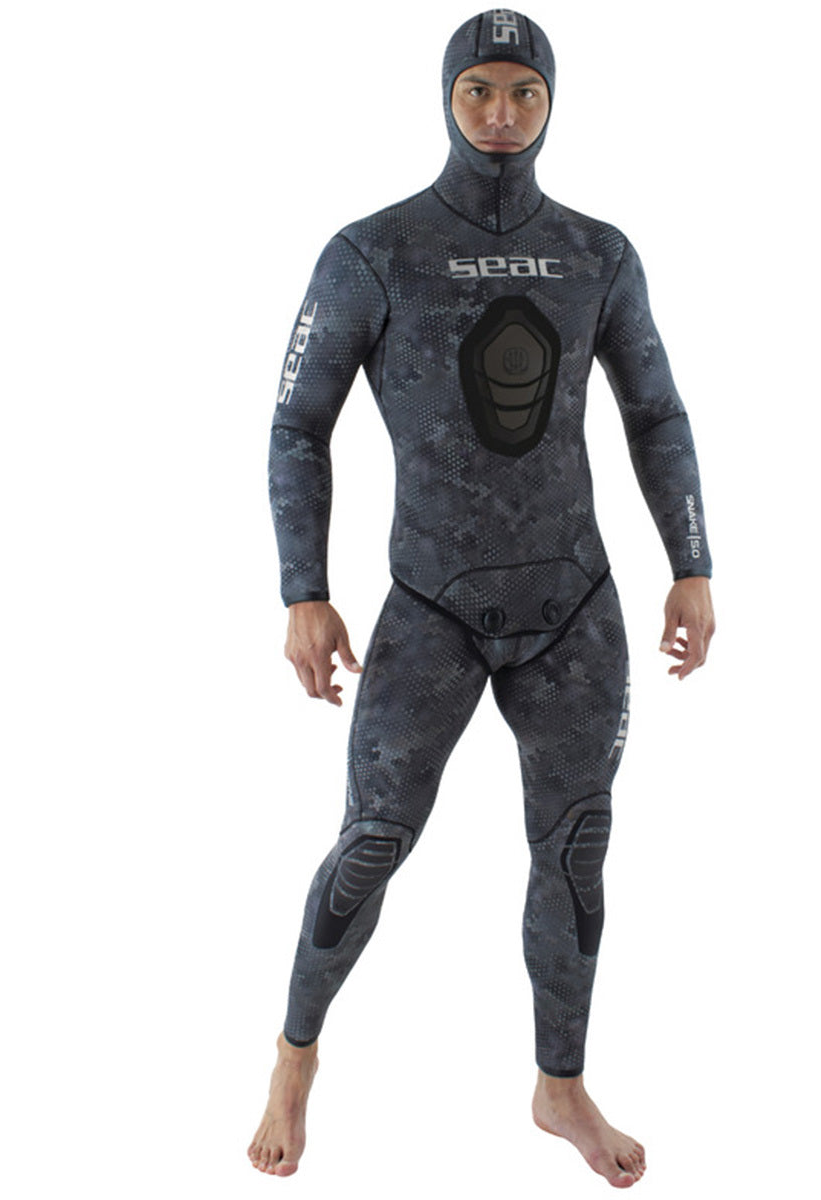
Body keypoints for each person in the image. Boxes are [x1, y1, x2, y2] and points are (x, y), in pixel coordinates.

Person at [247, 10, 714, 1188]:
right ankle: (294, 1059)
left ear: (552, 101)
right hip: (432, 609)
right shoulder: (375, 251)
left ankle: (560, 1086)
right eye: (479, 92)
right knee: (371, 842)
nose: (502, 114)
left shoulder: (598, 253)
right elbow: (299, 425)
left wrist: (693, 564)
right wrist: (305, 592)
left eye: (524, 92)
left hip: (575, 606)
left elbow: (656, 413)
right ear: (446, 98)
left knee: (575, 851)